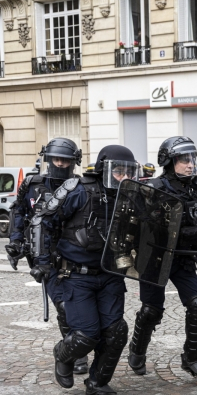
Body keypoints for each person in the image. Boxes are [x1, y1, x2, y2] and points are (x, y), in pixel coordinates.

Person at [30, 145, 139, 394]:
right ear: (103, 169)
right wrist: (42, 261)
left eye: (128, 172)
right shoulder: (79, 191)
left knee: (116, 332)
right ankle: (63, 354)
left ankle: (97, 384)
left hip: (110, 275)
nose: (124, 177)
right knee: (86, 334)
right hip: (76, 275)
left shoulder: (131, 197)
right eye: (118, 171)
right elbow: (42, 220)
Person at [128, 136, 197, 380]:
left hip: (182, 258)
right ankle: (137, 351)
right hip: (154, 258)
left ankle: (192, 358)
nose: (190, 164)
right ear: (168, 161)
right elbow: (136, 223)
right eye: (184, 159)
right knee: (151, 311)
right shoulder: (152, 187)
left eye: (192, 159)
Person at [6, 138, 89, 375]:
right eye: (56, 159)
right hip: (45, 258)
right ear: (48, 159)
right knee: (63, 306)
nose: (60, 164)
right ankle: (76, 354)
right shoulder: (32, 183)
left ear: (74, 162)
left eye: (65, 160)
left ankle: (77, 346)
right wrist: (15, 241)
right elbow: (19, 212)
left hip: (75, 254)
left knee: (76, 305)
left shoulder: (81, 186)